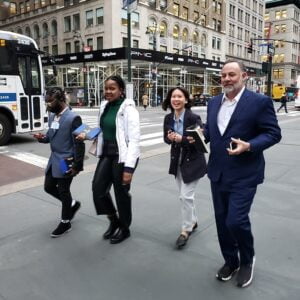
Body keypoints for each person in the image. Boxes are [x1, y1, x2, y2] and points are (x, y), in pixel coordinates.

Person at [204, 60, 281, 288]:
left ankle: (247, 260)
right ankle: (230, 261)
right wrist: (199, 134)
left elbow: (273, 133)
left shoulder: (259, 102)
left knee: (236, 221)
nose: (227, 79)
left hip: (245, 173)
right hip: (217, 172)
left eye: (232, 75)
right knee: (221, 222)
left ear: (244, 76)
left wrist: (250, 145)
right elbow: (212, 132)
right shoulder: (213, 102)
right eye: (223, 76)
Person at [77, 75, 140, 244]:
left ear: (121, 91)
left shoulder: (129, 110)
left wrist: (129, 168)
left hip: (123, 155)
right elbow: (101, 129)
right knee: (98, 189)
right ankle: (114, 220)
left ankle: (125, 228)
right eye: (106, 88)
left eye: (112, 88)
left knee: (121, 194)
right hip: (107, 153)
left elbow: (134, 141)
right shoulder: (104, 106)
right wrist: (87, 135)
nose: (108, 92)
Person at [34, 87, 85, 237]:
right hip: (53, 160)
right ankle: (72, 204)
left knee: (63, 191)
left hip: (66, 161)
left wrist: (77, 165)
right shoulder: (52, 116)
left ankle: (65, 222)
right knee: (48, 187)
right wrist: (42, 138)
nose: (48, 105)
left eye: (50, 102)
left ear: (61, 99)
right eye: (47, 102)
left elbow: (79, 143)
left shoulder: (74, 118)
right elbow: (51, 135)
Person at [162, 87, 207, 249]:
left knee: (185, 196)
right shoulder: (168, 118)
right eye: (173, 96)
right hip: (177, 161)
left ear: (186, 100)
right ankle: (193, 221)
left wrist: (182, 139)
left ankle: (186, 229)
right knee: (186, 196)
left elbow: (201, 141)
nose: (176, 99)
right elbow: (166, 140)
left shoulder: (194, 118)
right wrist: (170, 138)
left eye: (180, 96)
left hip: (193, 161)